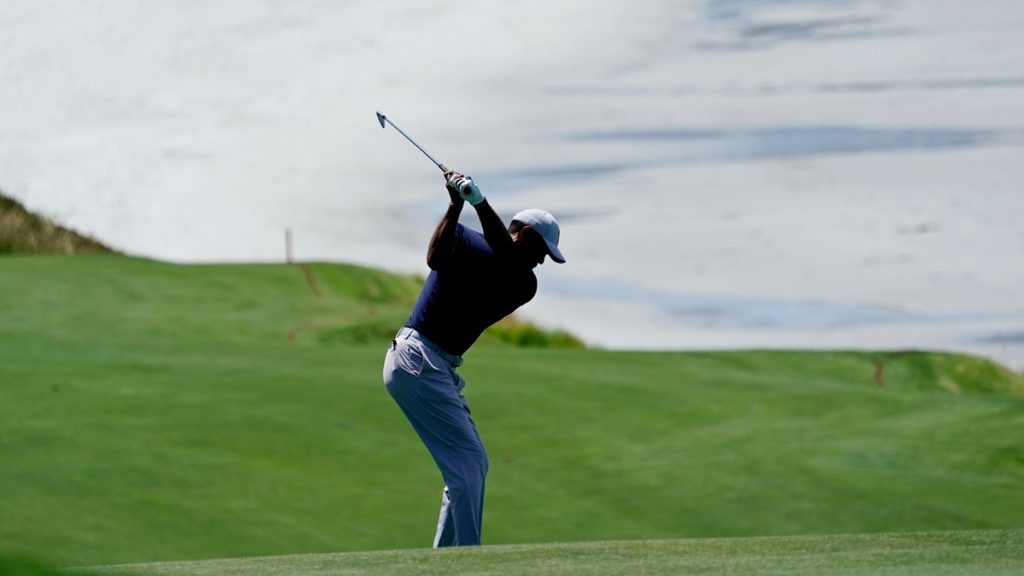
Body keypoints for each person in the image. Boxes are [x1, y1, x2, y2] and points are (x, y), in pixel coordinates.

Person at [382, 170, 565, 547]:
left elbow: (509, 260)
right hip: (418, 359)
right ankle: (467, 561)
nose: (542, 263)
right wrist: (456, 205)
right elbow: (434, 257)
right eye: (542, 252)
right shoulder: (468, 243)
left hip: (432, 366)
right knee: (466, 465)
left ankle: (448, 560)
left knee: (473, 464)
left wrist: (478, 203)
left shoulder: (522, 283)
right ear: (525, 234)